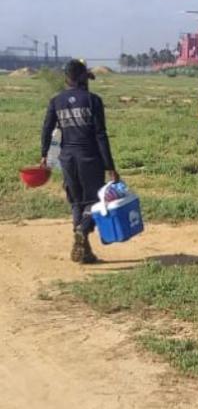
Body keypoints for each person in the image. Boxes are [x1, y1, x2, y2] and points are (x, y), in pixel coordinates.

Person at [39, 60, 118, 264]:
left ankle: (84, 251)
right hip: (90, 158)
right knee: (95, 201)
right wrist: (110, 166)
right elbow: (101, 135)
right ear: (83, 77)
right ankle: (82, 229)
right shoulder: (94, 100)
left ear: (66, 78)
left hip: (67, 159)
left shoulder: (56, 101)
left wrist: (44, 155)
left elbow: (47, 129)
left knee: (76, 202)